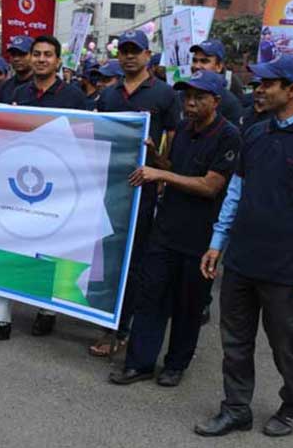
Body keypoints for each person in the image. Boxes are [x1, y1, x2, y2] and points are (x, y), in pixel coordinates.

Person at [195, 55, 293, 438]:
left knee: (284, 343)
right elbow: (235, 193)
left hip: (288, 266)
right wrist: (217, 242)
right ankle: (236, 408)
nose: (259, 89)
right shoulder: (254, 134)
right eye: (258, 83)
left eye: (268, 83)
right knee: (235, 341)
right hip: (241, 259)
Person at [109, 71, 241, 388]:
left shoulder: (229, 136)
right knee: (150, 296)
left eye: (199, 97)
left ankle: (176, 365)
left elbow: (211, 186)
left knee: (188, 305)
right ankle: (139, 363)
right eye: (186, 96)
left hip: (200, 236)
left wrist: (160, 175)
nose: (190, 102)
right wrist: (155, 157)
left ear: (216, 101)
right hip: (166, 229)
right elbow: (172, 169)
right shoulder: (182, 128)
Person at [0, 35, 87, 342]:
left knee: (51, 250)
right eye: (37, 54)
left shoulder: (75, 97)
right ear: (31, 59)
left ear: (58, 61)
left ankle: (47, 311)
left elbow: (87, 139)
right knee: (7, 245)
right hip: (18, 182)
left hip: (58, 187)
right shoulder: (17, 92)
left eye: (48, 54)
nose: (42, 59)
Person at [89, 29, 179, 357]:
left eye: (135, 50)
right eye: (123, 50)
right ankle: (105, 321)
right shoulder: (109, 96)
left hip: (144, 193)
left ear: (147, 55)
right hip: (108, 188)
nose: (128, 56)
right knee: (106, 256)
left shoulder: (165, 96)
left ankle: (123, 328)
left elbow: (172, 154)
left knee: (134, 261)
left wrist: (156, 157)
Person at [189, 40, 242, 125]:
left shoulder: (231, 101)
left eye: (204, 61)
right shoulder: (182, 95)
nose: (197, 66)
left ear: (219, 66)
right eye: (195, 60)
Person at [0, 36, 34, 103]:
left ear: (34, 55)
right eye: (13, 54)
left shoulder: (40, 85)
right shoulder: (5, 86)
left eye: (22, 54)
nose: (16, 59)